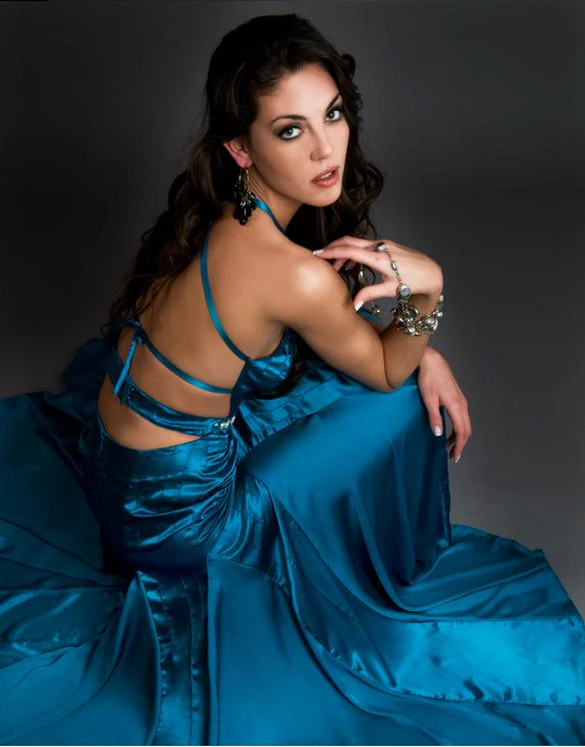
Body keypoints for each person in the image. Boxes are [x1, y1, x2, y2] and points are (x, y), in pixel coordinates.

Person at [0, 12, 584, 746]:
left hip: (121, 479)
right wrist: (429, 291)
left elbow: (333, 345)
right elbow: (384, 368)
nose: (324, 149)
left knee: (333, 382)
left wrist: (425, 352)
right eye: (289, 130)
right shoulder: (294, 277)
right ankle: (384, 576)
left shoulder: (226, 221)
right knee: (396, 402)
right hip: (181, 530)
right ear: (240, 149)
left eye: (332, 115)